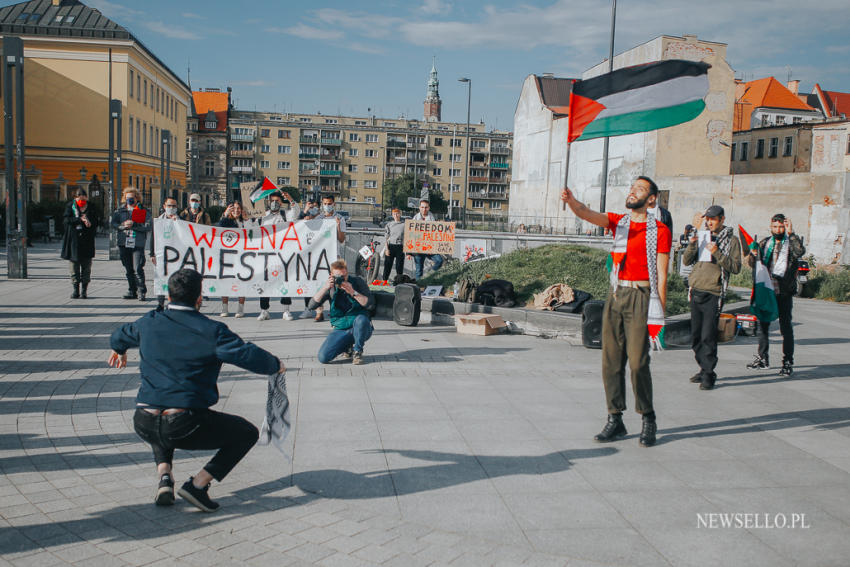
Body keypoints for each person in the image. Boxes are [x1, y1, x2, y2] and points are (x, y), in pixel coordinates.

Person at [107, 268, 284, 512]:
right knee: (246, 432)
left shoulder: (148, 322)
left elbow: (119, 335)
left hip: (143, 422)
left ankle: (165, 477)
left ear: (168, 297)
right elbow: (246, 355)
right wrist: (275, 364)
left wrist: (119, 349)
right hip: (184, 425)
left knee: (161, 407)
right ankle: (198, 486)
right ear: (199, 299)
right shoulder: (212, 331)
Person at [560, 176, 671, 447]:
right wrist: (572, 201)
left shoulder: (659, 230)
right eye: (632, 187)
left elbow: (663, 275)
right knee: (610, 361)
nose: (633, 191)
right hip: (616, 293)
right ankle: (615, 418)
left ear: (652, 199)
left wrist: (659, 316)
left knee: (637, 362)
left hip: (642, 296)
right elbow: (588, 214)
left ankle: (648, 417)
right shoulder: (619, 223)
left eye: (640, 189)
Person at [682, 205, 742, 390]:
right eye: (708, 219)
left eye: (713, 219)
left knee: (708, 335)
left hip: (714, 293)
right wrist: (693, 244)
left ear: (722, 219)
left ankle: (708, 374)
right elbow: (686, 261)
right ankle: (704, 367)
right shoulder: (702, 236)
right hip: (696, 288)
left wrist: (716, 251)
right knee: (696, 336)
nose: (710, 222)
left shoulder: (731, 240)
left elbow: (735, 267)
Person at [746, 213, 806, 376]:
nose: (778, 230)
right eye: (775, 227)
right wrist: (752, 255)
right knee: (763, 326)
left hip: (784, 292)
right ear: (770, 227)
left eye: (781, 227)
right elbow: (753, 264)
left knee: (786, 328)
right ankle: (763, 358)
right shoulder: (765, 243)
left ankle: (787, 362)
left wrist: (791, 233)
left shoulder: (791, 243)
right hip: (767, 291)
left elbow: (800, 252)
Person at [309, 259, 374, 365]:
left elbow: (370, 305)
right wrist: (325, 288)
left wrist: (353, 292)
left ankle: (357, 351)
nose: (341, 280)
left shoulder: (357, 282)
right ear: (331, 275)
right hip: (341, 327)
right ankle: (347, 347)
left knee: (361, 319)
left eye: (344, 276)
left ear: (347, 273)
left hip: (361, 326)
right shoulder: (330, 287)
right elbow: (311, 306)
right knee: (323, 357)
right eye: (337, 277)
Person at [257, 191, 300, 321]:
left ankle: (286, 310)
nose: (274, 203)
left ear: (281, 203)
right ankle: (264, 310)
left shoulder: (285, 215)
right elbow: (252, 228)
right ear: (268, 202)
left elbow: (296, 212)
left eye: (277, 201)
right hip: (266, 255)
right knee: (265, 282)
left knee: (285, 281)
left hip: (283, 255)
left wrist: (291, 199)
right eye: (272, 201)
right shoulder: (262, 217)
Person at [111, 187, 151, 301]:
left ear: (137, 198)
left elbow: (148, 226)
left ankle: (141, 291)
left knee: (137, 267)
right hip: (124, 242)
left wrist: (134, 224)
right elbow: (113, 223)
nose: (129, 200)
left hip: (137, 243)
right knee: (128, 268)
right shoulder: (120, 210)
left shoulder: (142, 210)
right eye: (127, 198)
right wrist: (122, 226)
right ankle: (132, 290)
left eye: (132, 198)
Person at [312, 194, 347, 322]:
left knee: (335, 285)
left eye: (329, 203)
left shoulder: (340, 218)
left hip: (334, 257)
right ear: (322, 204)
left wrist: (337, 226)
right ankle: (319, 311)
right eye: (325, 203)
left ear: (334, 204)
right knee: (320, 284)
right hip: (320, 256)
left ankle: (334, 310)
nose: (327, 206)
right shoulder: (319, 218)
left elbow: (342, 239)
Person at [61, 188, 99, 299]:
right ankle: (75, 290)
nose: (81, 199)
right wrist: (79, 220)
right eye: (79, 197)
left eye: (83, 197)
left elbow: (97, 221)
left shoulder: (91, 207)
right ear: (75, 198)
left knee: (86, 268)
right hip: (74, 242)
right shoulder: (70, 207)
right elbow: (66, 221)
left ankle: (84, 291)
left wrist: (89, 222)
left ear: (86, 197)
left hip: (87, 242)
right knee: (74, 268)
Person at [217, 201, 248, 318]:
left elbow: (252, 233)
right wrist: (225, 215)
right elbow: (219, 229)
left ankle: (240, 308)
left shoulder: (244, 221)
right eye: (233, 208)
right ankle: (225, 307)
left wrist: (247, 220)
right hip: (227, 256)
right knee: (225, 281)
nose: (236, 210)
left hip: (243, 256)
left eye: (238, 208)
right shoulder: (225, 221)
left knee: (242, 281)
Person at [150, 197, 180, 311]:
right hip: (161, 253)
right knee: (160, 278)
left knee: (174, 279)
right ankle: (160, 303)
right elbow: (153, 237)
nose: (171, 208)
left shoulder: (180, 220)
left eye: (174, 206)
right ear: (164, 206)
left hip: (175, 254)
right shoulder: (158, 221)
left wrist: (177, 222)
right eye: (169, 206)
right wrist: (152, 254)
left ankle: (173, 301)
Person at [410, 199, 443, 280]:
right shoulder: (414, 219)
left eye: (426, 207)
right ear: (419, 208)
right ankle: (419, 289)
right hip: (418, 248)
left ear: (429, 208)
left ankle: (429, 275)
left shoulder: (432, 219)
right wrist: (409, 252)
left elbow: (435, 234)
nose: (424, 209)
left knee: (439, 260)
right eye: (422, 207)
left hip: (430, 248)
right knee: (419, 271)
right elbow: (410, 235)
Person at [382, 208, 406, 282]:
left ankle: (399, 282)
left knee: (399, 266)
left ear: (400, 214)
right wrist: (386, 249)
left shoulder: (404, 225)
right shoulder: (389, 224)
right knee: (387, 265)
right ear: (392, 215)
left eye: (397, 213)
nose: (396, 215)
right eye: (394, 214)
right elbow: (386, 238)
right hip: (391, 246)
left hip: (400, 247)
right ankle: (384, 281)